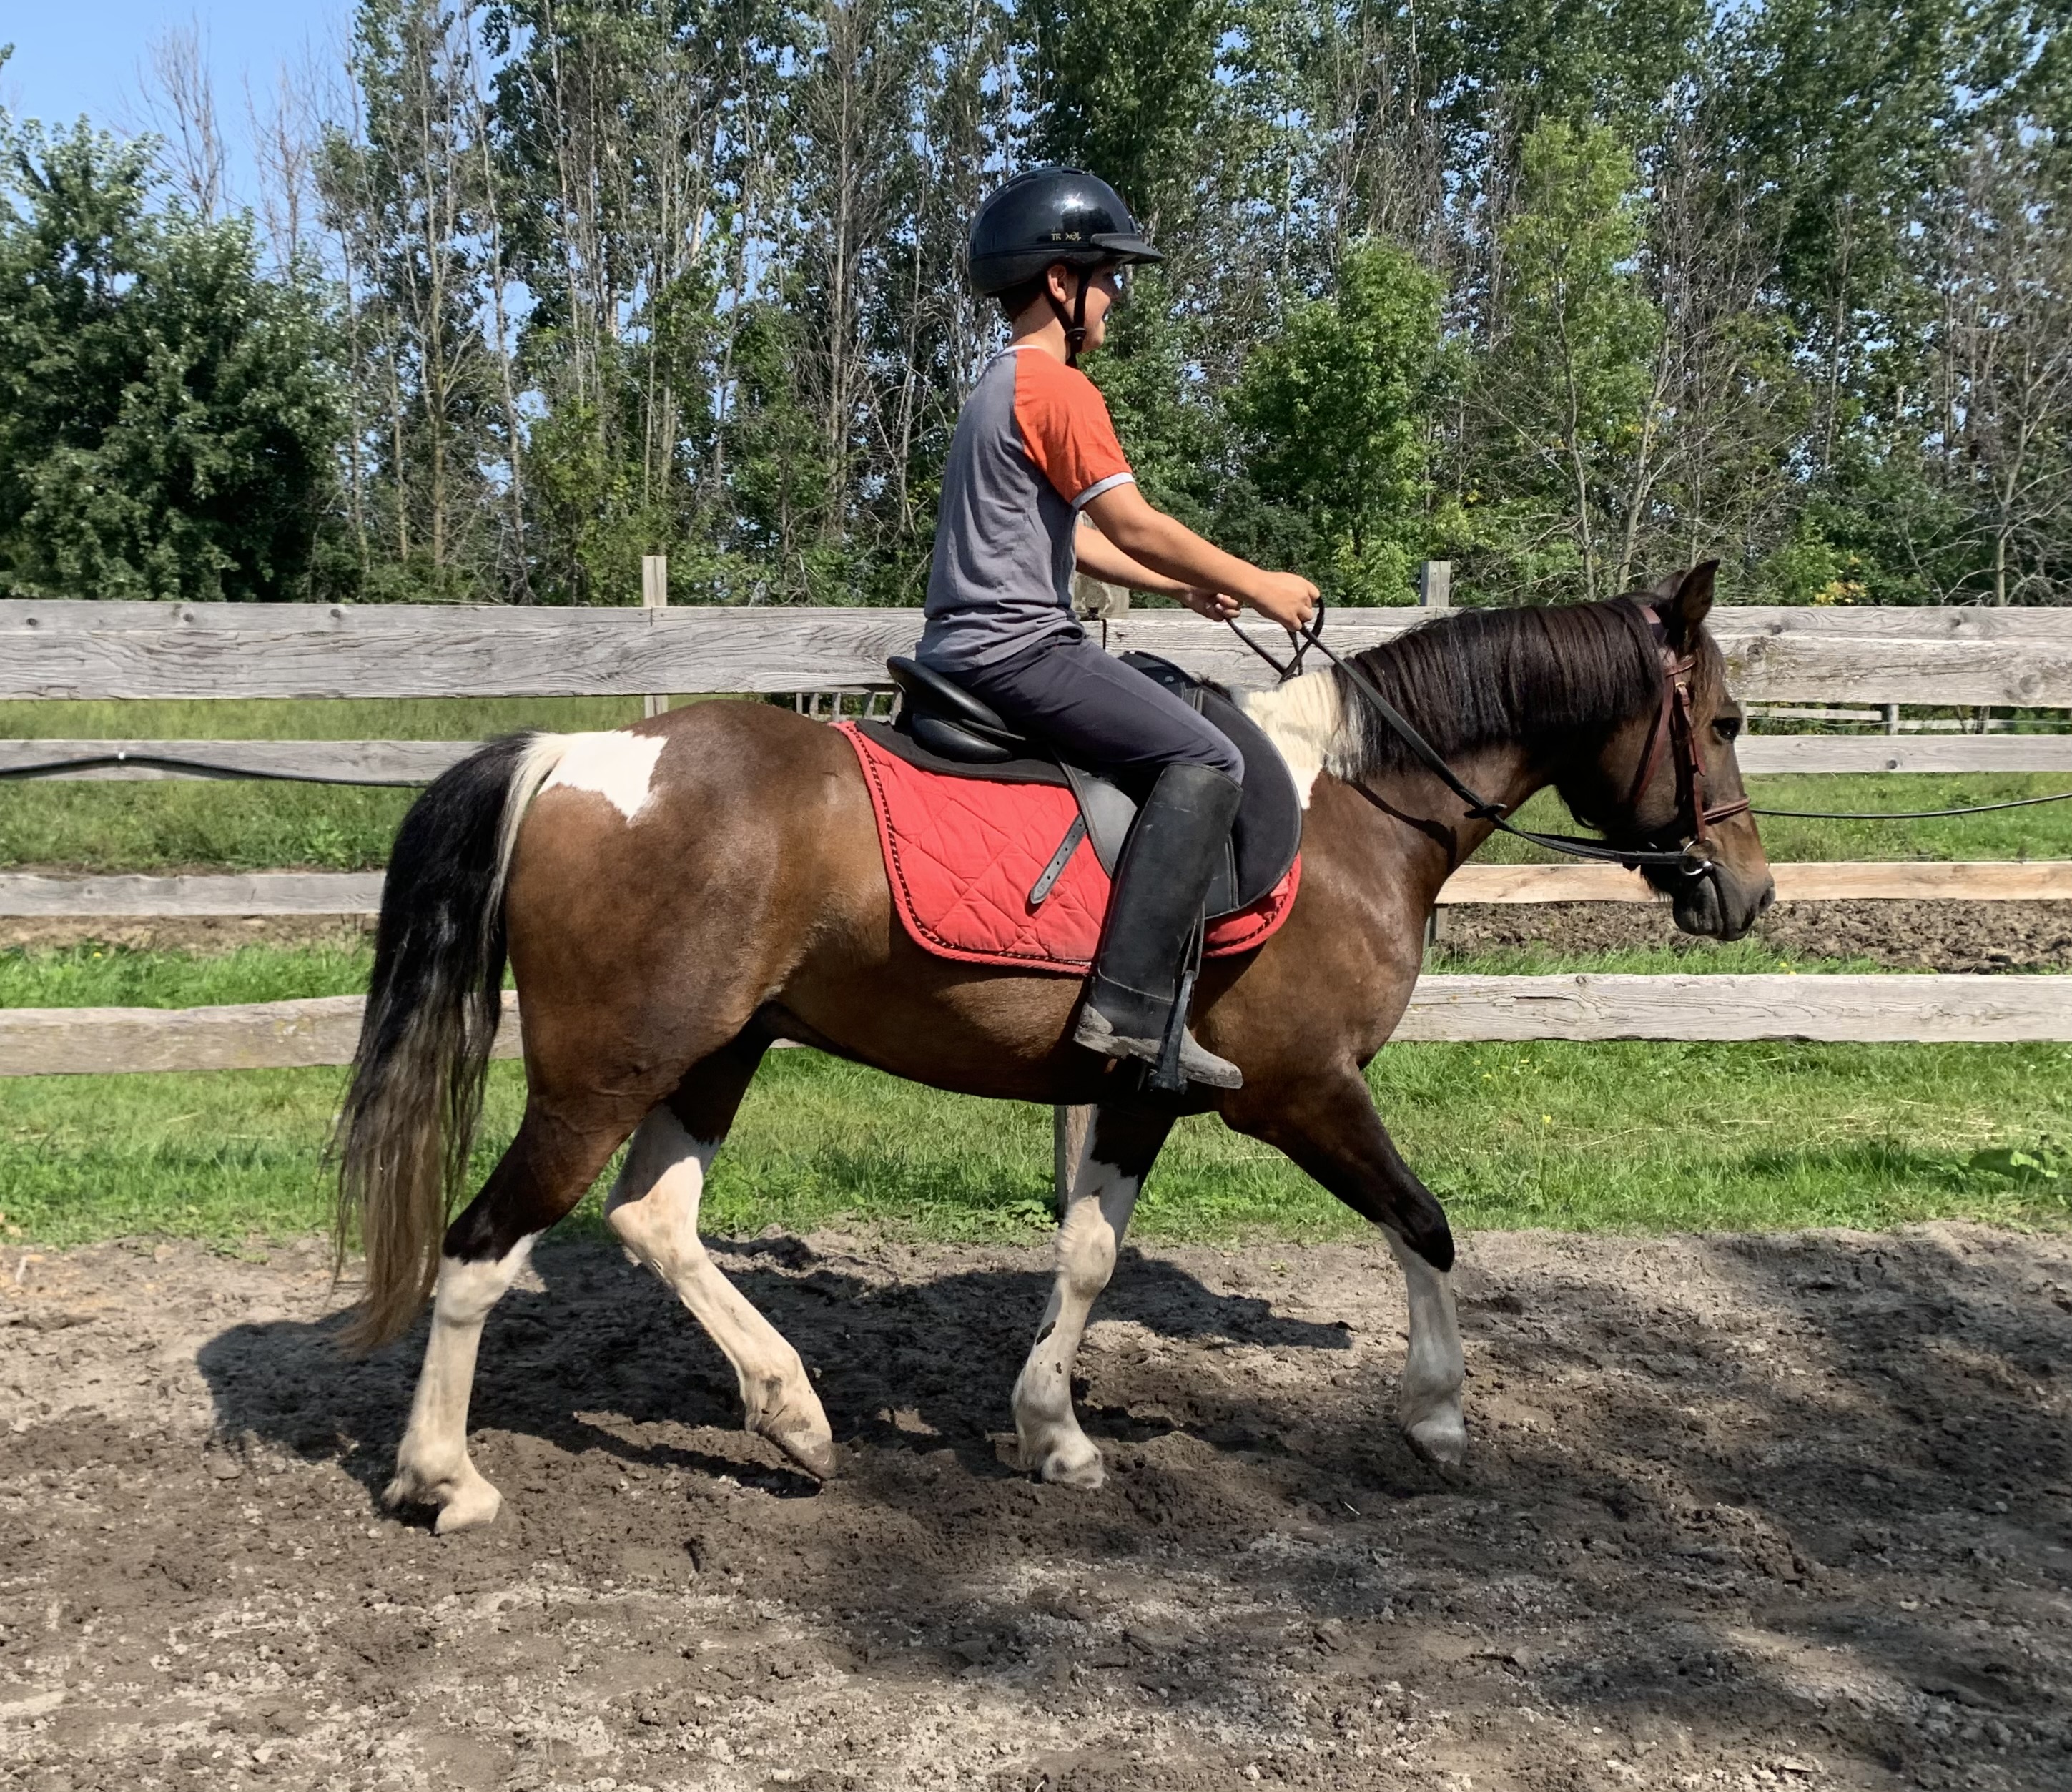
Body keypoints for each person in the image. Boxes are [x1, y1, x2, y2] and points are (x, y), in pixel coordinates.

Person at [916, 167, 1320, 1092]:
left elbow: (1086, 543)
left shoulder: (996, 386)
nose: (1115, 302)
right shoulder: (1058, 391)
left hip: (965, 644)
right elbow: (1134, 521)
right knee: (1210, 759)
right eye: (1109, 280)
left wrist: (1178, 591)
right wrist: (1257, 583)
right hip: (1017, 649)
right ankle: (1130, 1011)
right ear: (1061, 283)